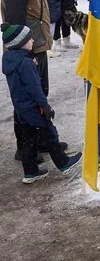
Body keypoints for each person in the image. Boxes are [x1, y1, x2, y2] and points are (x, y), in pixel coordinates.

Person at [3, 24, 83, 183]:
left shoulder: (10, 60)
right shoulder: (25, 64)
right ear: (21, 43)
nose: (32, 40)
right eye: (29, 38)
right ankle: (64, 163)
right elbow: (34, 87)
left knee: (29, 139)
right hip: (33, 107)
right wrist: (44, 106)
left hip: (21, 108)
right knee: (49, 133)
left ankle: (30, 172)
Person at [1, 0, 55, 162]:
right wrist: (26, 55)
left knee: (39, 94)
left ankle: (41, 140)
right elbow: (14, 23)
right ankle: (25, 148)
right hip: (25, 53)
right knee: (26, 101)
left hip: (36, 47)